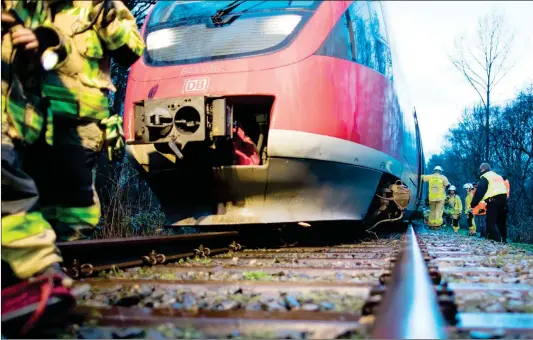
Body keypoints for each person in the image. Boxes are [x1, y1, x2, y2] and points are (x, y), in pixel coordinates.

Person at [24, 0, 145, 241]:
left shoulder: (100, 7)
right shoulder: (29, 8)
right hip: (30, 119)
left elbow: (131, 50)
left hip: (81, 120)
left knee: (75, 199)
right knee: (37, 197)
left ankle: (74, 260)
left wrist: (107, 16)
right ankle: (47, 262)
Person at [1, 1, 75, 335]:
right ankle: (38, 274)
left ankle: (36, 275)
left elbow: (58, 53)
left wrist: (43, 39)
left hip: (17, 117)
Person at [471, 163, 508, 243]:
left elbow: (480, 192)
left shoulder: (485, 177)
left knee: (490, 222)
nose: (480, 171)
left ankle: (496, 240)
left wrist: (473, 203)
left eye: (481, 169)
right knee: (501, 222)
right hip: (504, 200)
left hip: (493, 201)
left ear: (483, 169)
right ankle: (504, 240)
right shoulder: (498, 176)